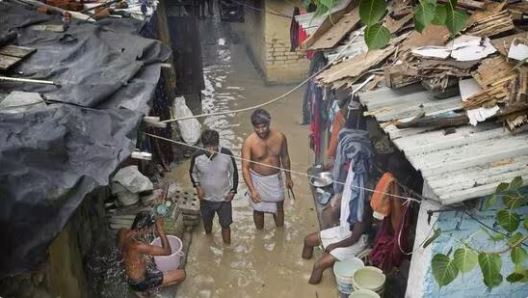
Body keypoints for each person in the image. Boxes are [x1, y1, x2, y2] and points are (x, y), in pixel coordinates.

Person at [241, 108, 294, 230]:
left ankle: (280, 233)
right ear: (253, 126)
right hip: (258, 180)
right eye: (257, 128)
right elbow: (245, 168)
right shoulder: (249, 142)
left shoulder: (280, 137)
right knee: (258, 209)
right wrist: (252, 190)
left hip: (275, 179)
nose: (261, 131)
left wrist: (288, 178)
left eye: (264, 127)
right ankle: (259, 235)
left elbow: (285, 157)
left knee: (279, 208)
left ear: (269, 123)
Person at [117, 212, 186, 293]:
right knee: (182, 274)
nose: (149, 231)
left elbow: (122, 251)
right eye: (149, 229)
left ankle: (146, 286)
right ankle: (149, 289)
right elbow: (167, 251)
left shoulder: (122, 232)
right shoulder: (138, 246)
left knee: (147, 257)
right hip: (140, 282)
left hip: (128, 277)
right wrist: (160, 229)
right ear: (144, 228)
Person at [190, 129, 238, 244]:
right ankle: (209, 242)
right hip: (206, 200)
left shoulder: (227, 154)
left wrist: (232, 191)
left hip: (224, 199)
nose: (211, 150)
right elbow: (192, 172)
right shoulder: (197, 156)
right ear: (203, 145)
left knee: (226, 225)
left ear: (218, 143)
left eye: (214, 147)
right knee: (207, 224)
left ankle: (227, 249)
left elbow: (234, 173)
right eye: (208, 147)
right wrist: (197, 186)